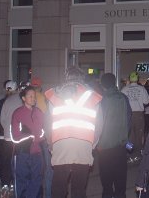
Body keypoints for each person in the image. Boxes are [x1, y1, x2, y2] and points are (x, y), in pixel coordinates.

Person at [45, 65, 103, 198]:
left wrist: (51, 144)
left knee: (59, 186)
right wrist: (92, 145)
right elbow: (99, 124)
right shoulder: (93, 97)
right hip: (83, 144)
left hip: (60, 144)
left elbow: (48, 123)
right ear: (82, 78)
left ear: (66, 78)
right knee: (79, 187)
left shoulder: (54, 95)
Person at [98, 73, 131, 198]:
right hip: (120, 146)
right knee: (120, 182)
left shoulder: (101, 100)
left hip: (104, 147)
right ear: (114, 82)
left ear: (103, 84)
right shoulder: (123, 98)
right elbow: (129, 120)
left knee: (106, 184)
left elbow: (98, 123)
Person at [11, 85, 46, 198]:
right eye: (30, 96)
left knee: (36, 180)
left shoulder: (39, 112)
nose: (33, 98)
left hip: (37, 152)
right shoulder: (18, 113)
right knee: (21, 181)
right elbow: (14, 136)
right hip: (22, 153)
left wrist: (39, 137)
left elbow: (43, 131)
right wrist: (30, 136)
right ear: (23, 98)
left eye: (34, 96)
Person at [0, 80, 24, 197]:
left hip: (7, 137)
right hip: (18, 137)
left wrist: (6, 130)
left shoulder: (6, 101)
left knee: (6, 161)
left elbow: (2, 119)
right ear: (17, 89)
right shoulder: (21, 100)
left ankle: (5, 185)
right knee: (17, 162)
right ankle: (15, 184)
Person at [0, 80, 17, 194]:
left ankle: (0, 179)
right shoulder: (18, 102)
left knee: (3, 160)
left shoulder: (0, 102)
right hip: (13, 136)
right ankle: (10, 182)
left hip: (2, 136)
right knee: (12, 160)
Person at [121, 71, 149, 162]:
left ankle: (129, 154)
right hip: (139, 115)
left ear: (129, 79)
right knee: (139, 135)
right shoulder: (142, 89)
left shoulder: (124, 89)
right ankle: (138, 154)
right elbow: (146, 101)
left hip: (128, 114)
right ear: (137, 79)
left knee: (129, 135)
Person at [30, 77, 52, 198]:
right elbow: (45, 117)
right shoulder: (42, 97)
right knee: (47, 167)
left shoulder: (27, 97)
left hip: (29, 136)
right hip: (41, 135)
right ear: (40, 86)